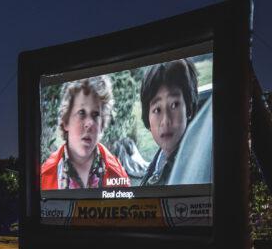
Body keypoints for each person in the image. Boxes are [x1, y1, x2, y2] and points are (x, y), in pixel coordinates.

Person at [39, 76, 130, 190]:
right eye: (81, 113)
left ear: (102, 124)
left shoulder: (118, 175)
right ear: (66, 121)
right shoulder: (43, 177)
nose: (89, 123)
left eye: (95, 114)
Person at [139, 59, 200, 187]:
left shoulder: (198, 167)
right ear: (147, 118)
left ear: (188, 108)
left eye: (174, 105)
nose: (166, 121)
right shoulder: (157, 163)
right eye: (157, 110)